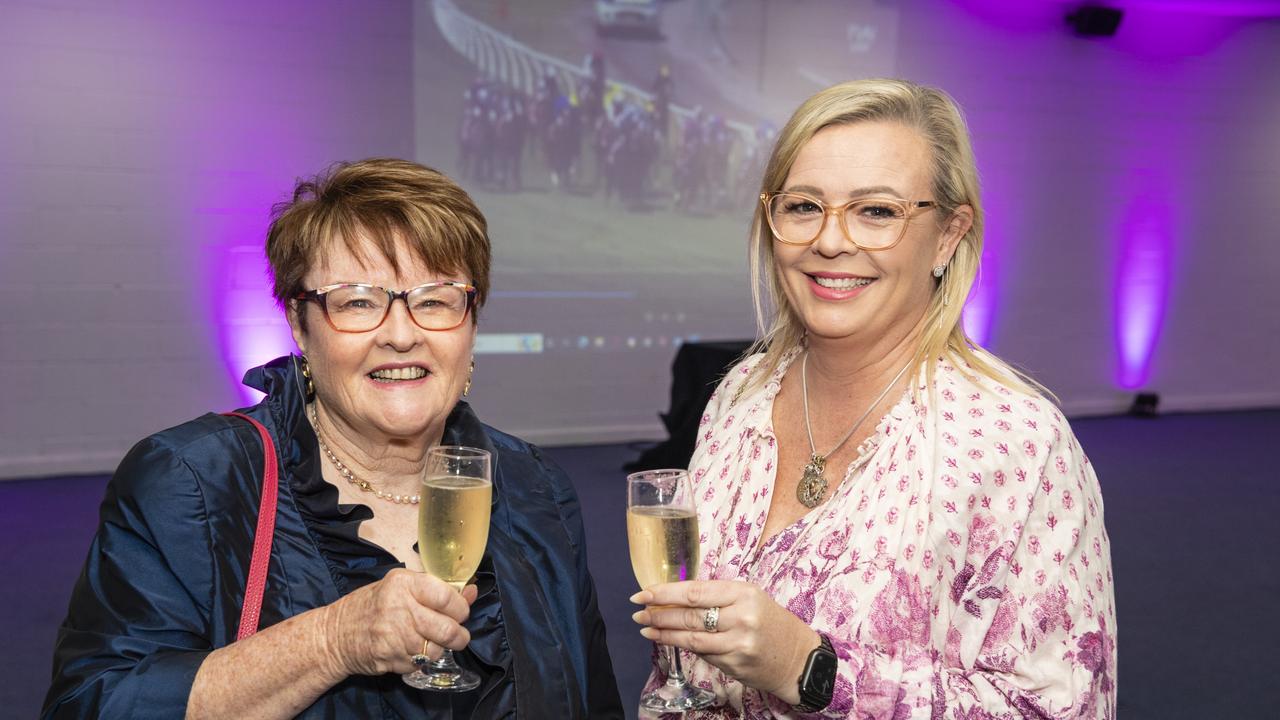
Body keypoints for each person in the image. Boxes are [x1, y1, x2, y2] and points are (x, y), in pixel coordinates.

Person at [43, 158, 624, 719]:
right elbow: (94, 703)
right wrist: (330, 641)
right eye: (358, 302)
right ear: (299, 325)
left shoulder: (535, 485)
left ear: (471, 321)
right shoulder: (193, 481)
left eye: (435, 300)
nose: (401, 335)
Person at [632, 79, 1116, 718]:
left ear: (947, 236)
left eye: (877, 211)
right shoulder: (740, 399)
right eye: (805, 206)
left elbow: (1063, 708)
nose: (830, 241)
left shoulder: (1017, 443)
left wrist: (811, 670)